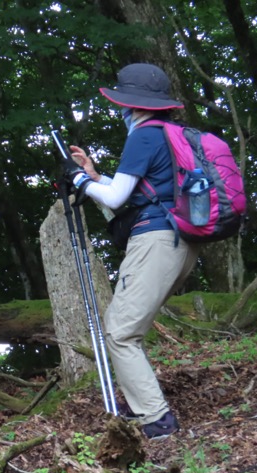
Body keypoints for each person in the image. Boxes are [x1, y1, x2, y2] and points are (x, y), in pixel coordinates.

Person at [66, 63, 199, 439]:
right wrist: (93, 177)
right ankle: (146, 407)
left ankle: (156, 420)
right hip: (181, 242)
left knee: (121, 333)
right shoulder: (175, 134)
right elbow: (144, 190)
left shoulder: (143, 136)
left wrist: (77, 181)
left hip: (156, 241)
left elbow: (117, 198)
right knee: (127, 330)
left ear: (132, 104)